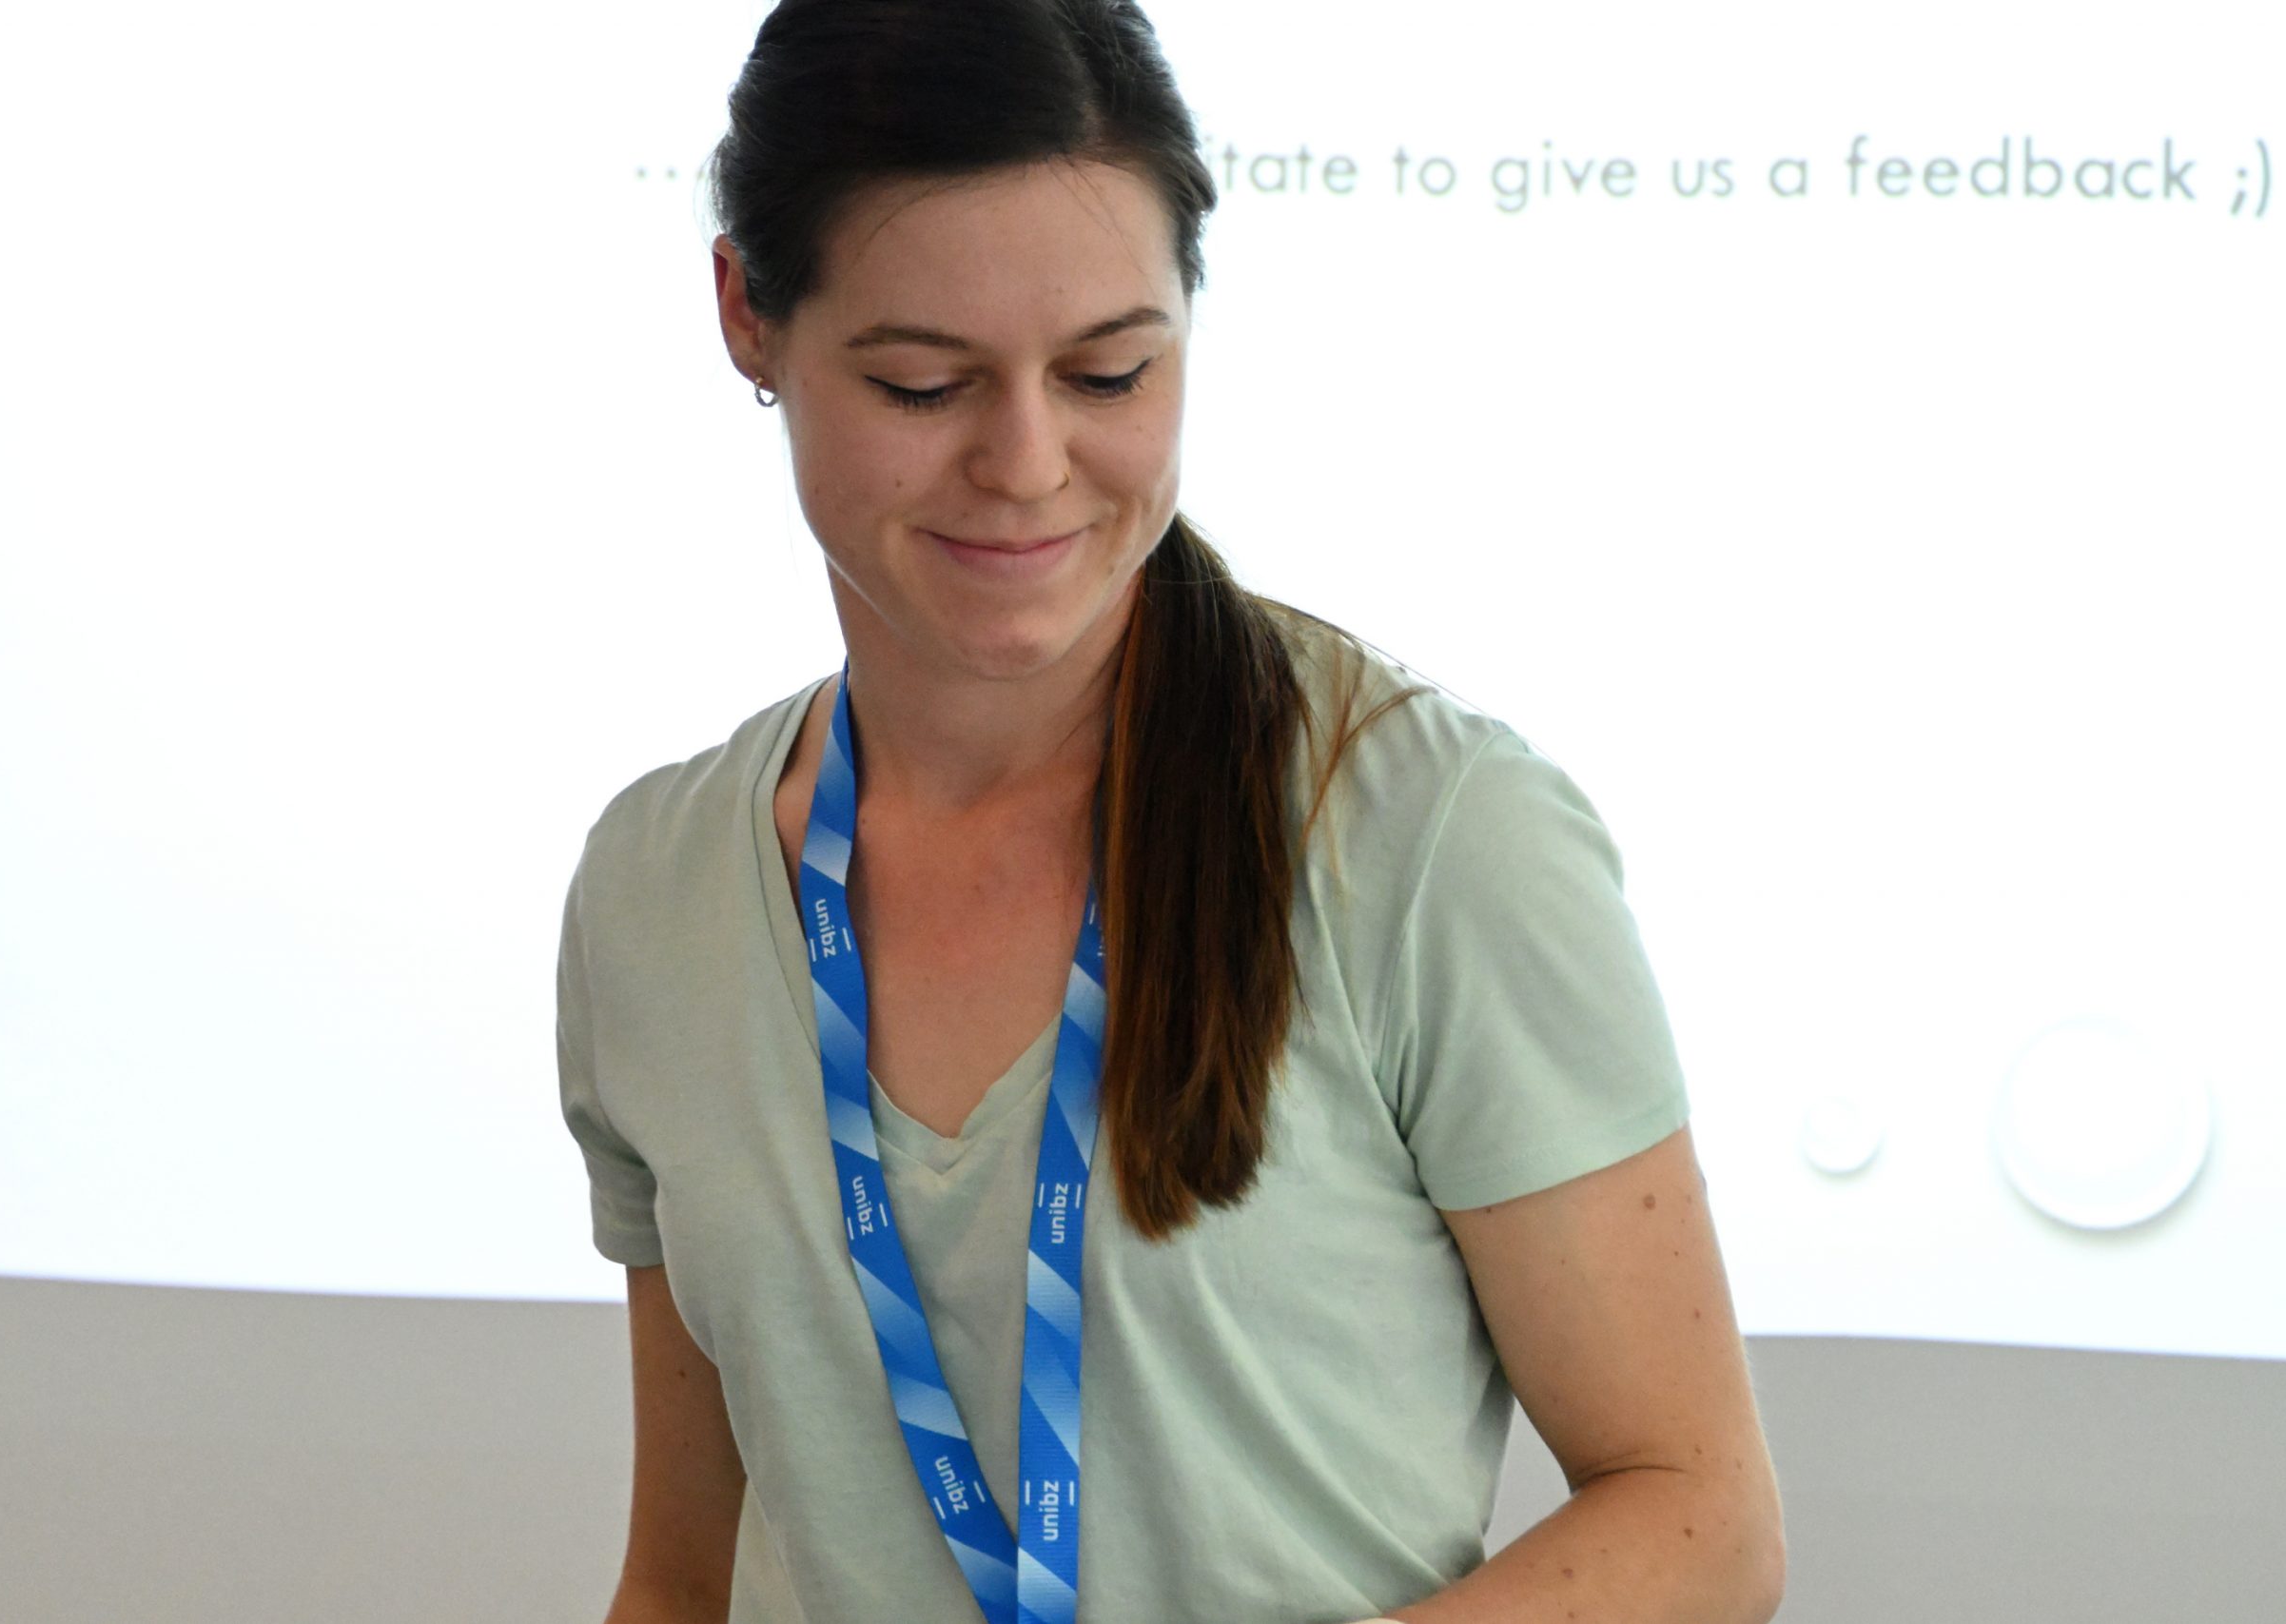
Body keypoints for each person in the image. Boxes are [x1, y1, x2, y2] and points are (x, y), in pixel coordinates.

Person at [555, 2, 1786, 1621]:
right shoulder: (655, 891)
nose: (1027, 462)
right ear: (747, 316)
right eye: (924, 384)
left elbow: (1701, 1520)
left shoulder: (1430, 838)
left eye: (1109, 372)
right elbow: (679, 1582)